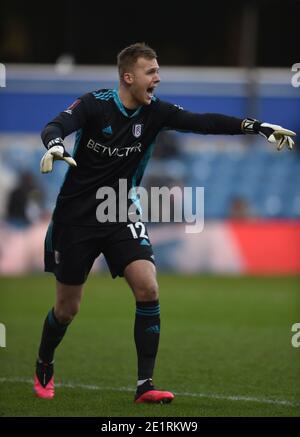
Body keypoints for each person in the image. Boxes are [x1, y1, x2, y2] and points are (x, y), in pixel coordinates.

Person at [35, 42, 295, 403]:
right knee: (67, 309)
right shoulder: (94, 104)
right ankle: (44, 360)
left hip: (118, 211)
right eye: (151, 72)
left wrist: (256, 127)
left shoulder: (155, 113)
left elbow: (203, 122)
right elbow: (59, 124)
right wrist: (55, 146)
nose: (158, 78)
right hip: (75, 220)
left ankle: (145, 386)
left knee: (148, 287)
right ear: (129, 76)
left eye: (158, 71)